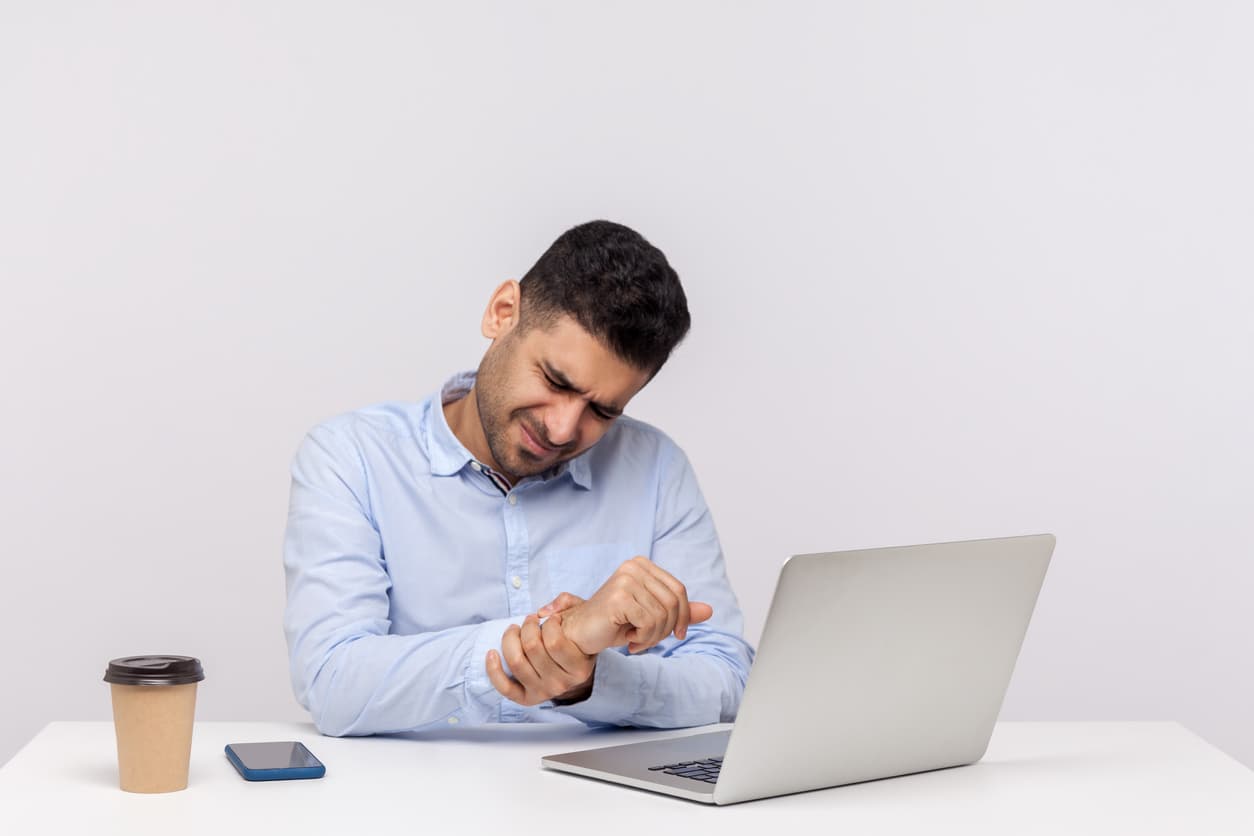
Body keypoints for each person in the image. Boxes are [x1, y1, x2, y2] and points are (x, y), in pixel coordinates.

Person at [283, 220, 754, 735]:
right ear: (502, 313)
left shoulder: (657, 469)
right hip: (414, 806)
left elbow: (727, 676)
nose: (561, 428)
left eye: (603, 411)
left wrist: (586, 680)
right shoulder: (352, 457)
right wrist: (559, 638)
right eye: (554, 380)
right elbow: (332, 681)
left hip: (611, 809)